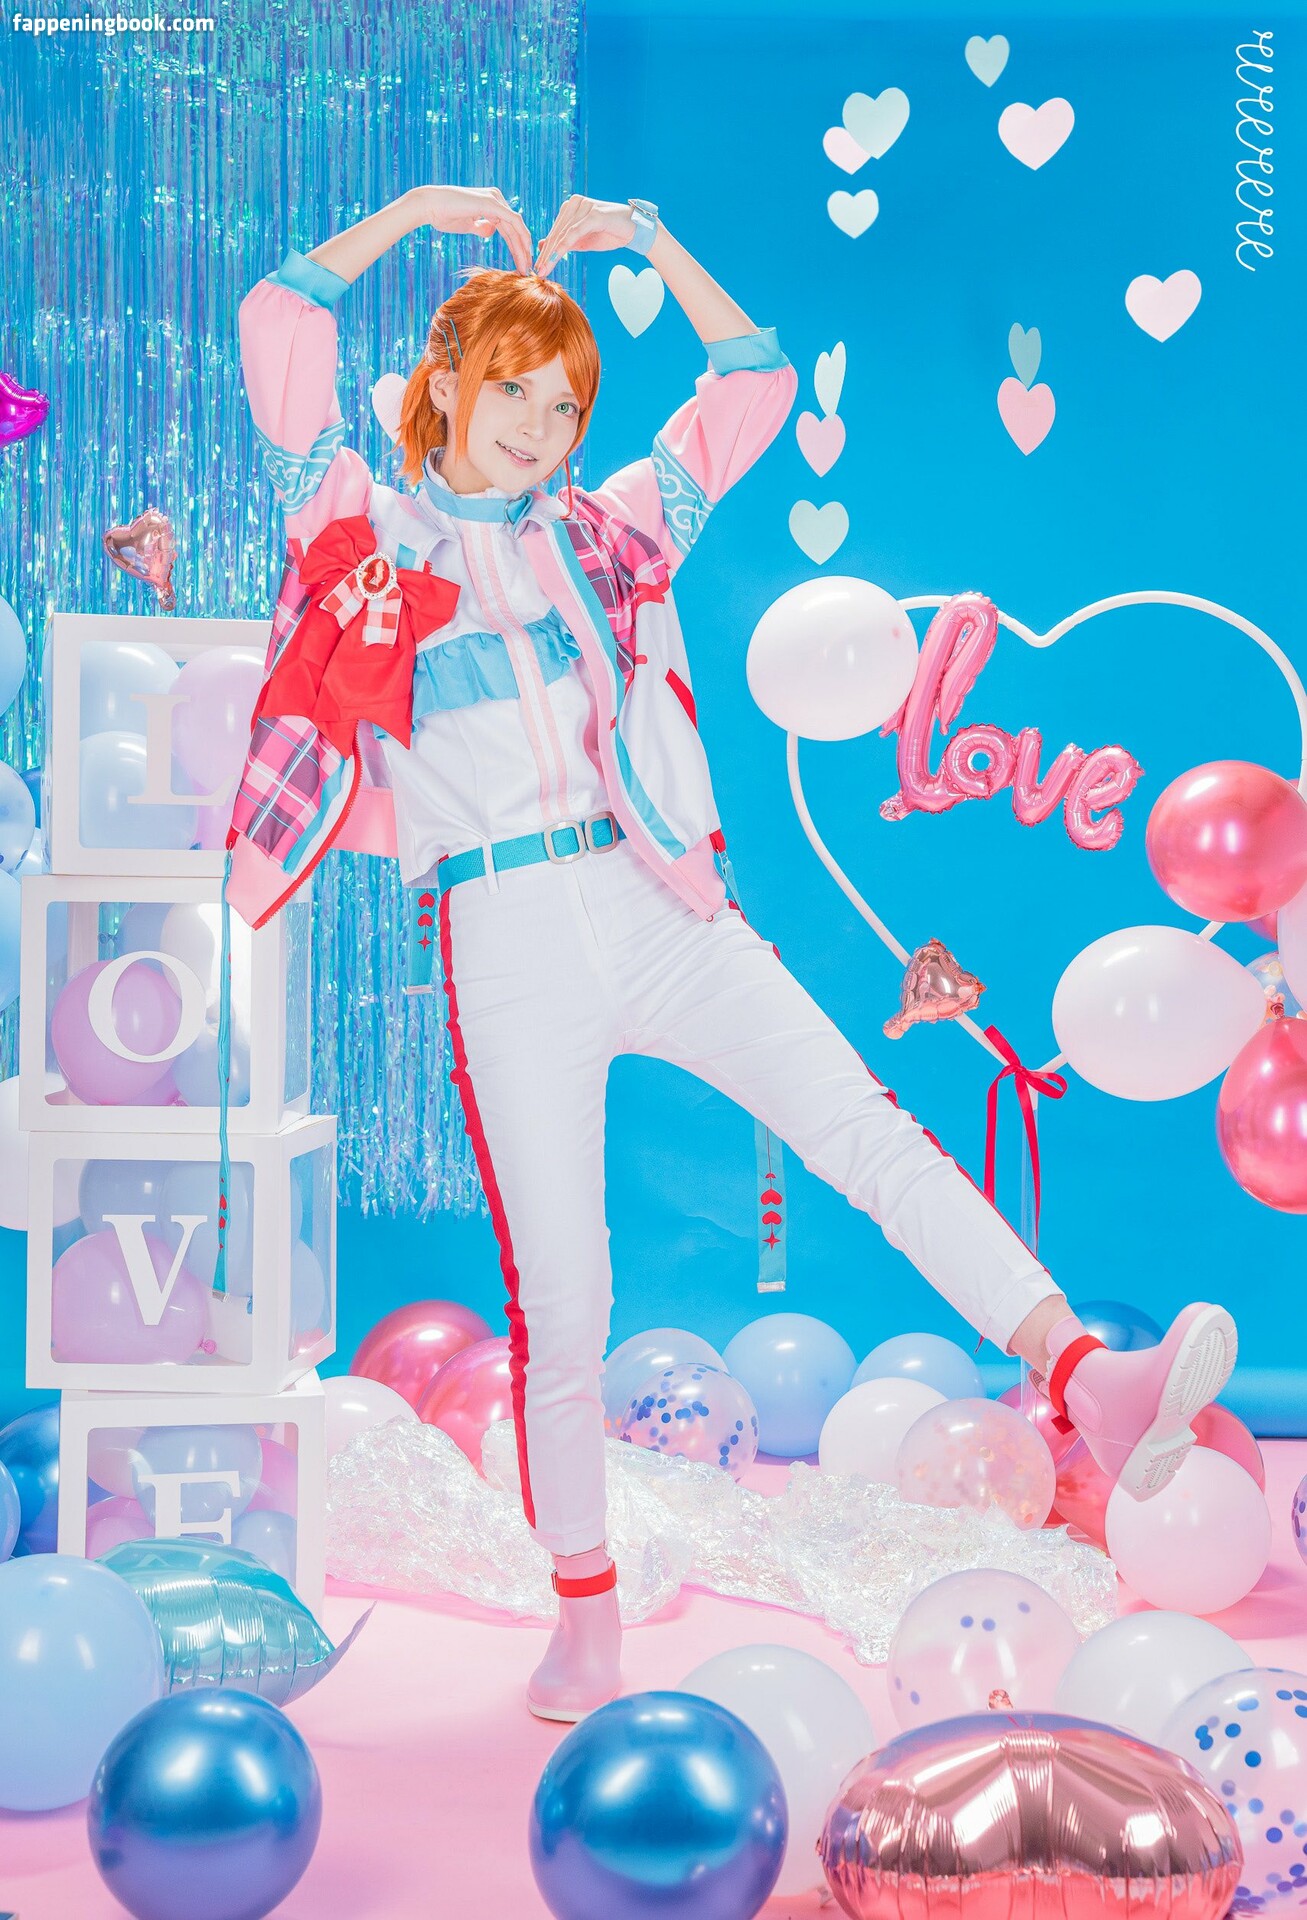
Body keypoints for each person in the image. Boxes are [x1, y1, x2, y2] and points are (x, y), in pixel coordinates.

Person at [227, 184, 1237, 1722]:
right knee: (566, 1297)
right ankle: (583, 1616)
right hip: (503, 932)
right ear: (446, 382)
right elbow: (280, 322)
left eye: (565, 406)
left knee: (869, 1137)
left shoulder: (604, 531)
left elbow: (751, 383)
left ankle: (1088, 1378)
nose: (541, 428)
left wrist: (650, 244)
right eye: (514, 392)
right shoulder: (356, 521)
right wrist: (419, 212)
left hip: (654, 898)